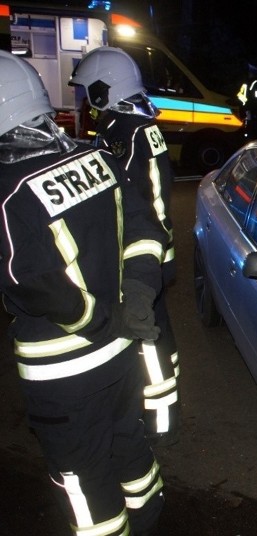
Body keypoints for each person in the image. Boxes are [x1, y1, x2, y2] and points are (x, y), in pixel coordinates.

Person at [0, 50, 166, 535]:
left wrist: (102, 319)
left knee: (83, 479)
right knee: (129, 445)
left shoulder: (8, 192)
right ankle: (150, 520)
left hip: (62, 373)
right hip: (121, 354)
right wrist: (136, 296)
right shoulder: (95, 156)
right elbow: (146, 227)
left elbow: (31, 285)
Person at [68, 46, 181, 447]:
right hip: (153, 254)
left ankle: (160, 422)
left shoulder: (126, 133)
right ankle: (160, 411)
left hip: (144, 257)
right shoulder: (133, 124)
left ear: (104, 91)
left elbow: (135, 202)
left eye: (89, 92)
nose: (86, 101)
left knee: (148, 338)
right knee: (156, 334)